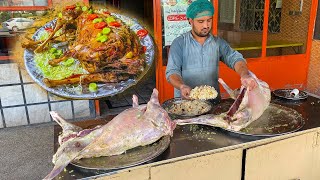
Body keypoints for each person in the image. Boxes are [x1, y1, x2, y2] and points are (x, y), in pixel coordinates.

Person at [165, 0, 257, 100]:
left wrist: (245, 75)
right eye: (200, 21)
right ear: (190, 20)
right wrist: (182, 86)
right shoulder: (179, 43)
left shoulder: (217, 43)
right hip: (186, 104)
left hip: (212, 103)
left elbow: (235, 59)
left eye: (209, 20)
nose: (206, 26)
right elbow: (172, 72)